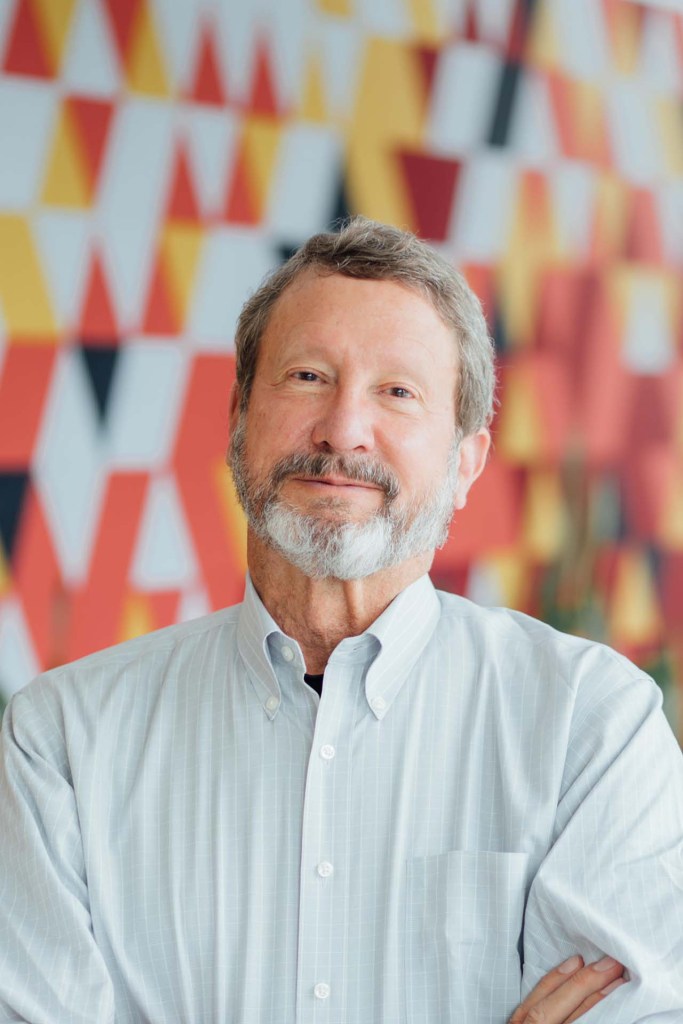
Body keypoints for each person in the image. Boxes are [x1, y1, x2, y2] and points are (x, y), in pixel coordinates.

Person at [0, 218, 681, 1024]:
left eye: (397, 392)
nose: (342, 430)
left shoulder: (588, 724)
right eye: (306, 376)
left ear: (465, 462)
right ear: (237, 421)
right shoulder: (64, 743)